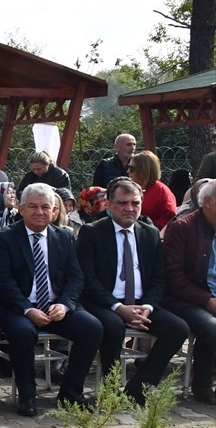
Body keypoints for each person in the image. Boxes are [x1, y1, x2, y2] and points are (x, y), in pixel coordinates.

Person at [0, 183, 101, 417]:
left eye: (45, 207)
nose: (39, 212)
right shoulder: (4, 237)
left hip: (56, 307)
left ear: (54, 211)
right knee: (23, 333)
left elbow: (75, 277)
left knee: (92, 328)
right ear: (21, 209)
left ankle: (70, 392)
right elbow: (2, 280)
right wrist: (27, 309)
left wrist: (64, 304)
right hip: (18, 308)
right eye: (33, 206)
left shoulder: (64, 237)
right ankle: (28, 396)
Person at [77, 178, 189, 407]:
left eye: (135, 203)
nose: (129, 208)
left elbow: (159, 279)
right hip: (105, 303)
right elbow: (87, 279)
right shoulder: (92, 233)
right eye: (122, 203)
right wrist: (119, 308)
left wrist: (147, 307)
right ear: (109, 204)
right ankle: (110, 388)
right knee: (113, 325)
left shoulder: (149, 234)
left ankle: (139, 388)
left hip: (141, 303)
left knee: (178, 328)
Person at [162, 181, 216, 403]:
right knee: (211, 328)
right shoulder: (182, 228)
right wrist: (207, 300)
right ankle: (202, 385)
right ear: (208, 202)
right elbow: (174, 277)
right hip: (186, 299)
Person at [128, 150, 177, 230]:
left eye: (132, 168)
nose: (128, 171)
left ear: (143, 170)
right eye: (128, 167)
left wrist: (147, 229)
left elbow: (169, 219)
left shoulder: (161, 191)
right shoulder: (130, 188)